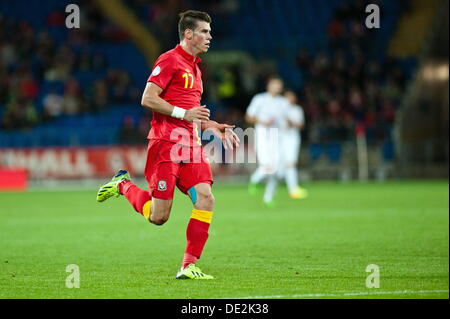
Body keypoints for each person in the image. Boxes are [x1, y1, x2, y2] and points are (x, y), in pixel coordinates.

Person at [96, 10, 240, 280]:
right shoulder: (169, 60)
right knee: (159, 217)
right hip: (165, 143)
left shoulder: (196, 69)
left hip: (190, 145)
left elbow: (190, 113)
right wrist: (184, 115)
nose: (210, 36)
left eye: (210, 32)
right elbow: (148, 98)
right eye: (204, 31)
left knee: (206, 198)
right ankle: (122, 184)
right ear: (188, 33)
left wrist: (211, 126)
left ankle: (188, 265)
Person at [245, 76, 290, 206]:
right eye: (274, 84)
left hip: (278, 137)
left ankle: (268, 198)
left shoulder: (283, 102)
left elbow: (285, 120)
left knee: (277, 169)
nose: (277, 87)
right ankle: (255, 179)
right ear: (268, 86)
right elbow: (248, 116)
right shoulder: (260, 99)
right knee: (267, 165)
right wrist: (262, 121)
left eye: (279, 85)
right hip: (263, 135)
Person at [281, 90, 308, 199]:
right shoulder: (279, 109)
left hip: (292, 138)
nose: (289, 99)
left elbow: (301, 125)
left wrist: (291, 123)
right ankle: (292, 188)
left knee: (290, 163)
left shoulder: (297, 109)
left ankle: (293, 189)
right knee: (282, 165)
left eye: (291, 96)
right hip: (279, 139)